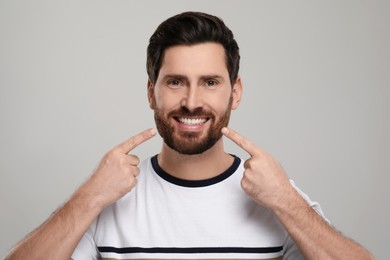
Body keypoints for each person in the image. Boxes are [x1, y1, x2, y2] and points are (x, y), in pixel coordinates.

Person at [5, 11, 373, 260]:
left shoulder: (277, 195)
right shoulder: (106, 199)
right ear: (152, 92)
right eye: (175, 82)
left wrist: (287, 203)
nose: (192, 102)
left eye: (210, 82)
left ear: (236, 91)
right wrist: (89, 197)